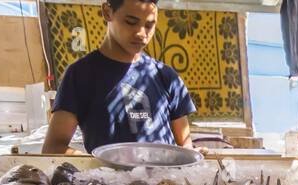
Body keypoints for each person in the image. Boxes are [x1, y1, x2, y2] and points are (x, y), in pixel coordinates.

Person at [42, 0, 194, 155]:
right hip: (106, 179)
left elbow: (185, 144)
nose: (141, 34)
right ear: (107, 12)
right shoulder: (80, 75)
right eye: (131, 22)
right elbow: (53, 148)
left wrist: (192, 154)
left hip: (165, 179)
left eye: (149, 25)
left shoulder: (166, 76)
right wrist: (101, 164)